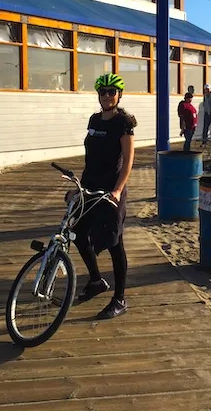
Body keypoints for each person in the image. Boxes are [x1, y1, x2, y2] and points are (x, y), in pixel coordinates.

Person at [73, 73, 136, 320]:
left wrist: (118, 190)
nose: (107, 96)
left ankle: (120, 298)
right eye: (103, 92)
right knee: (78, 232)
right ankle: (97, 280)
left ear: (119, 95)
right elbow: (90, 157)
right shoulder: (94, 119)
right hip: (89, 186)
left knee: (114, 244)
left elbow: (129, 160)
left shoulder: (123, 123)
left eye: (112, 92)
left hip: (111, 190)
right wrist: (78, 186)